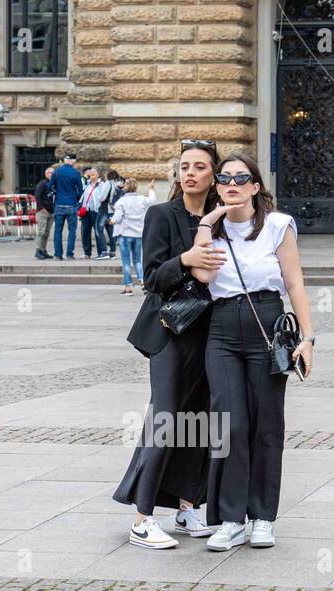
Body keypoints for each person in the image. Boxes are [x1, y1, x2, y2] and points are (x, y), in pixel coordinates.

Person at [191, 153, 315, 551]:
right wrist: (207, 224)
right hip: (222, 328)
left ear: (255, 187)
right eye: (224, 178)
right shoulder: (212, 229)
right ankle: (229, 518)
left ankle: (262, 517)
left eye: (241, 178)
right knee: (229, 425)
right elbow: (204, 276)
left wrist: (307, 339)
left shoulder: (278, 226)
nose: (231, 184)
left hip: (267, 324)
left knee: (266, 425)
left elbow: (294, 284)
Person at [114, 139, 225, 549]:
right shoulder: (161, 215)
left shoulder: (221, 220)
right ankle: (142, 518)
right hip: (170, 332)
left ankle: (187, 506)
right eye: (184, 166)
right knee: (165, 419)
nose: (190, 172)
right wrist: (188, 260)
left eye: (199, 166)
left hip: (211, 332)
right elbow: (152, 278)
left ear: (213, 174)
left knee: (202, 420)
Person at [111, 178, 152, 295]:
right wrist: (151, 189)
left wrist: (111, 221)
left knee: (126, 261)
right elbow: (152, 199)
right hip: (139, 234)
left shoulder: (121, 201)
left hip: (125, 234)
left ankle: (128, 287)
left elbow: (117, 217)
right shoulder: (142, 200)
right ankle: (143, 281)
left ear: (125, 187)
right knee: (138, 260)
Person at [50, 154, 84, 259]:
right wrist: (75, 198)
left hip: (59, 204)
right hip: (71, 204)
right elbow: (80, 190)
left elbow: (50, 186)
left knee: (57, 231)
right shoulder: (76, 173)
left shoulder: (57, 171)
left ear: (65, 160)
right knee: (72, 231)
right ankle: (70, 254)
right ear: (73, 161)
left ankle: (58, 254)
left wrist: (56, 192)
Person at [32, 164, 55, 260]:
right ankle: (38, 250)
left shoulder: (54, 184)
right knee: (41, 232)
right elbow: (37, 197)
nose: (52, 175)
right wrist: (41, 208)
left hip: (51, 212)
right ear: (46, 174)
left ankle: (43, 250)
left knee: (46, 233)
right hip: (42, 212)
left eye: (54, 173)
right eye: (51, 173)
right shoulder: (42, 184)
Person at [79, 167, 102, 258]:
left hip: (96, 211)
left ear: (98, 175)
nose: (91, 174)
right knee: (85, 231)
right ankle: (87, 253)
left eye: (94, 173)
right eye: (90, 173)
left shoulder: (101, 184)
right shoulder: (87, 184)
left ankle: (101, 252)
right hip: (86, 211)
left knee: (97, 232)